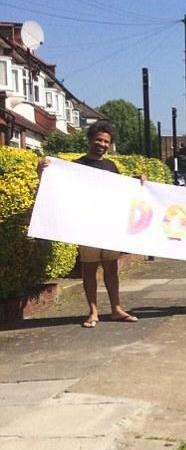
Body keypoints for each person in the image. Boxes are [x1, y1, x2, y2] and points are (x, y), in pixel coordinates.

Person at [36, 120, 142, 328]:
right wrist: (42, 171)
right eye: (99, 140)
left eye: (106, 141)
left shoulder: (111, 166)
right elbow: (53, 185)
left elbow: (121, 191)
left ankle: (116, 309)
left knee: (112, 268)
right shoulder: (76, 166)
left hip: (109, 225)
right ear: (90, 140)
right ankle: (93, 312)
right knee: (89, 269)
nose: (102, 144)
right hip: (86, 226)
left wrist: (137, 181)